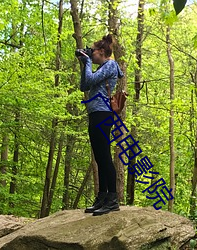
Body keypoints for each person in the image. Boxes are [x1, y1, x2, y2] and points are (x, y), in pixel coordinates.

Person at [78, 34, 124, 216]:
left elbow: (89, 81)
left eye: (93, 51)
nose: (91, 54)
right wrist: (85, 63)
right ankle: (103, 197)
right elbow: (84, 85)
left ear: (102, 52)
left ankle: (112, 199)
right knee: (99, 157)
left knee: (104, 156)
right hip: (95, 113)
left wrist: (87, 62)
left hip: (103, 114)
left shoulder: (110, 65)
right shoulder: (101, 69)